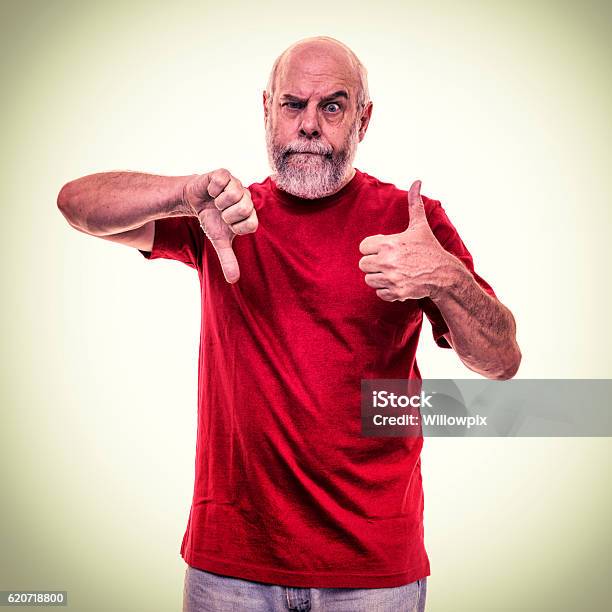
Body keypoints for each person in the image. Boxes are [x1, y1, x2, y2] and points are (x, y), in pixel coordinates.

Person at [57, 36, 521, 612]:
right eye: (292, 105)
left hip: (373, 571)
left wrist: (447, 279)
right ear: (267, 110)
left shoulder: (411, 223)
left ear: (363, 119)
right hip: (232, 569)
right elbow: (75, 205)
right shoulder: (220, 216)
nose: (308, 125)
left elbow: (502, 362)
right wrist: (181, 193)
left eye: (332, 106)